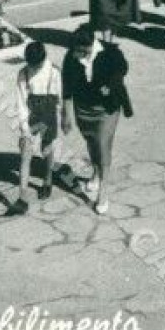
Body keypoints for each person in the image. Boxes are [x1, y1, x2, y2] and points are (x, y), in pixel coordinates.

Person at [61, 25, 131, 215]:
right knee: (92, 143)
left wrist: (110, 84)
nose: (75, 55)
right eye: (74, 51)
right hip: (83, 108)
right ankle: (95, 173)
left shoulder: (111, 52)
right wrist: (66, 114)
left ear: (89, 46)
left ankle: (103, 193)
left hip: (106, 109)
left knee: (103, 145)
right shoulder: (71, 56)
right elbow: (67, 87)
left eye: (79, 52)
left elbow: (122, 68)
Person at [5, 40, 60, 215]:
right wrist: (25, 130)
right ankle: (22, 198)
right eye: (31, 65)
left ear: (44, 60)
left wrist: (44, 126)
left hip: (49, 113)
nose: (34, 69)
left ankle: (47, 180)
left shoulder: (53, 72)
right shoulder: (23, 74)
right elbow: (21, 102)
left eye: (37, 65)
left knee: (46, 150)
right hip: (32, 115)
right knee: (25, 152)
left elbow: (55, 102)